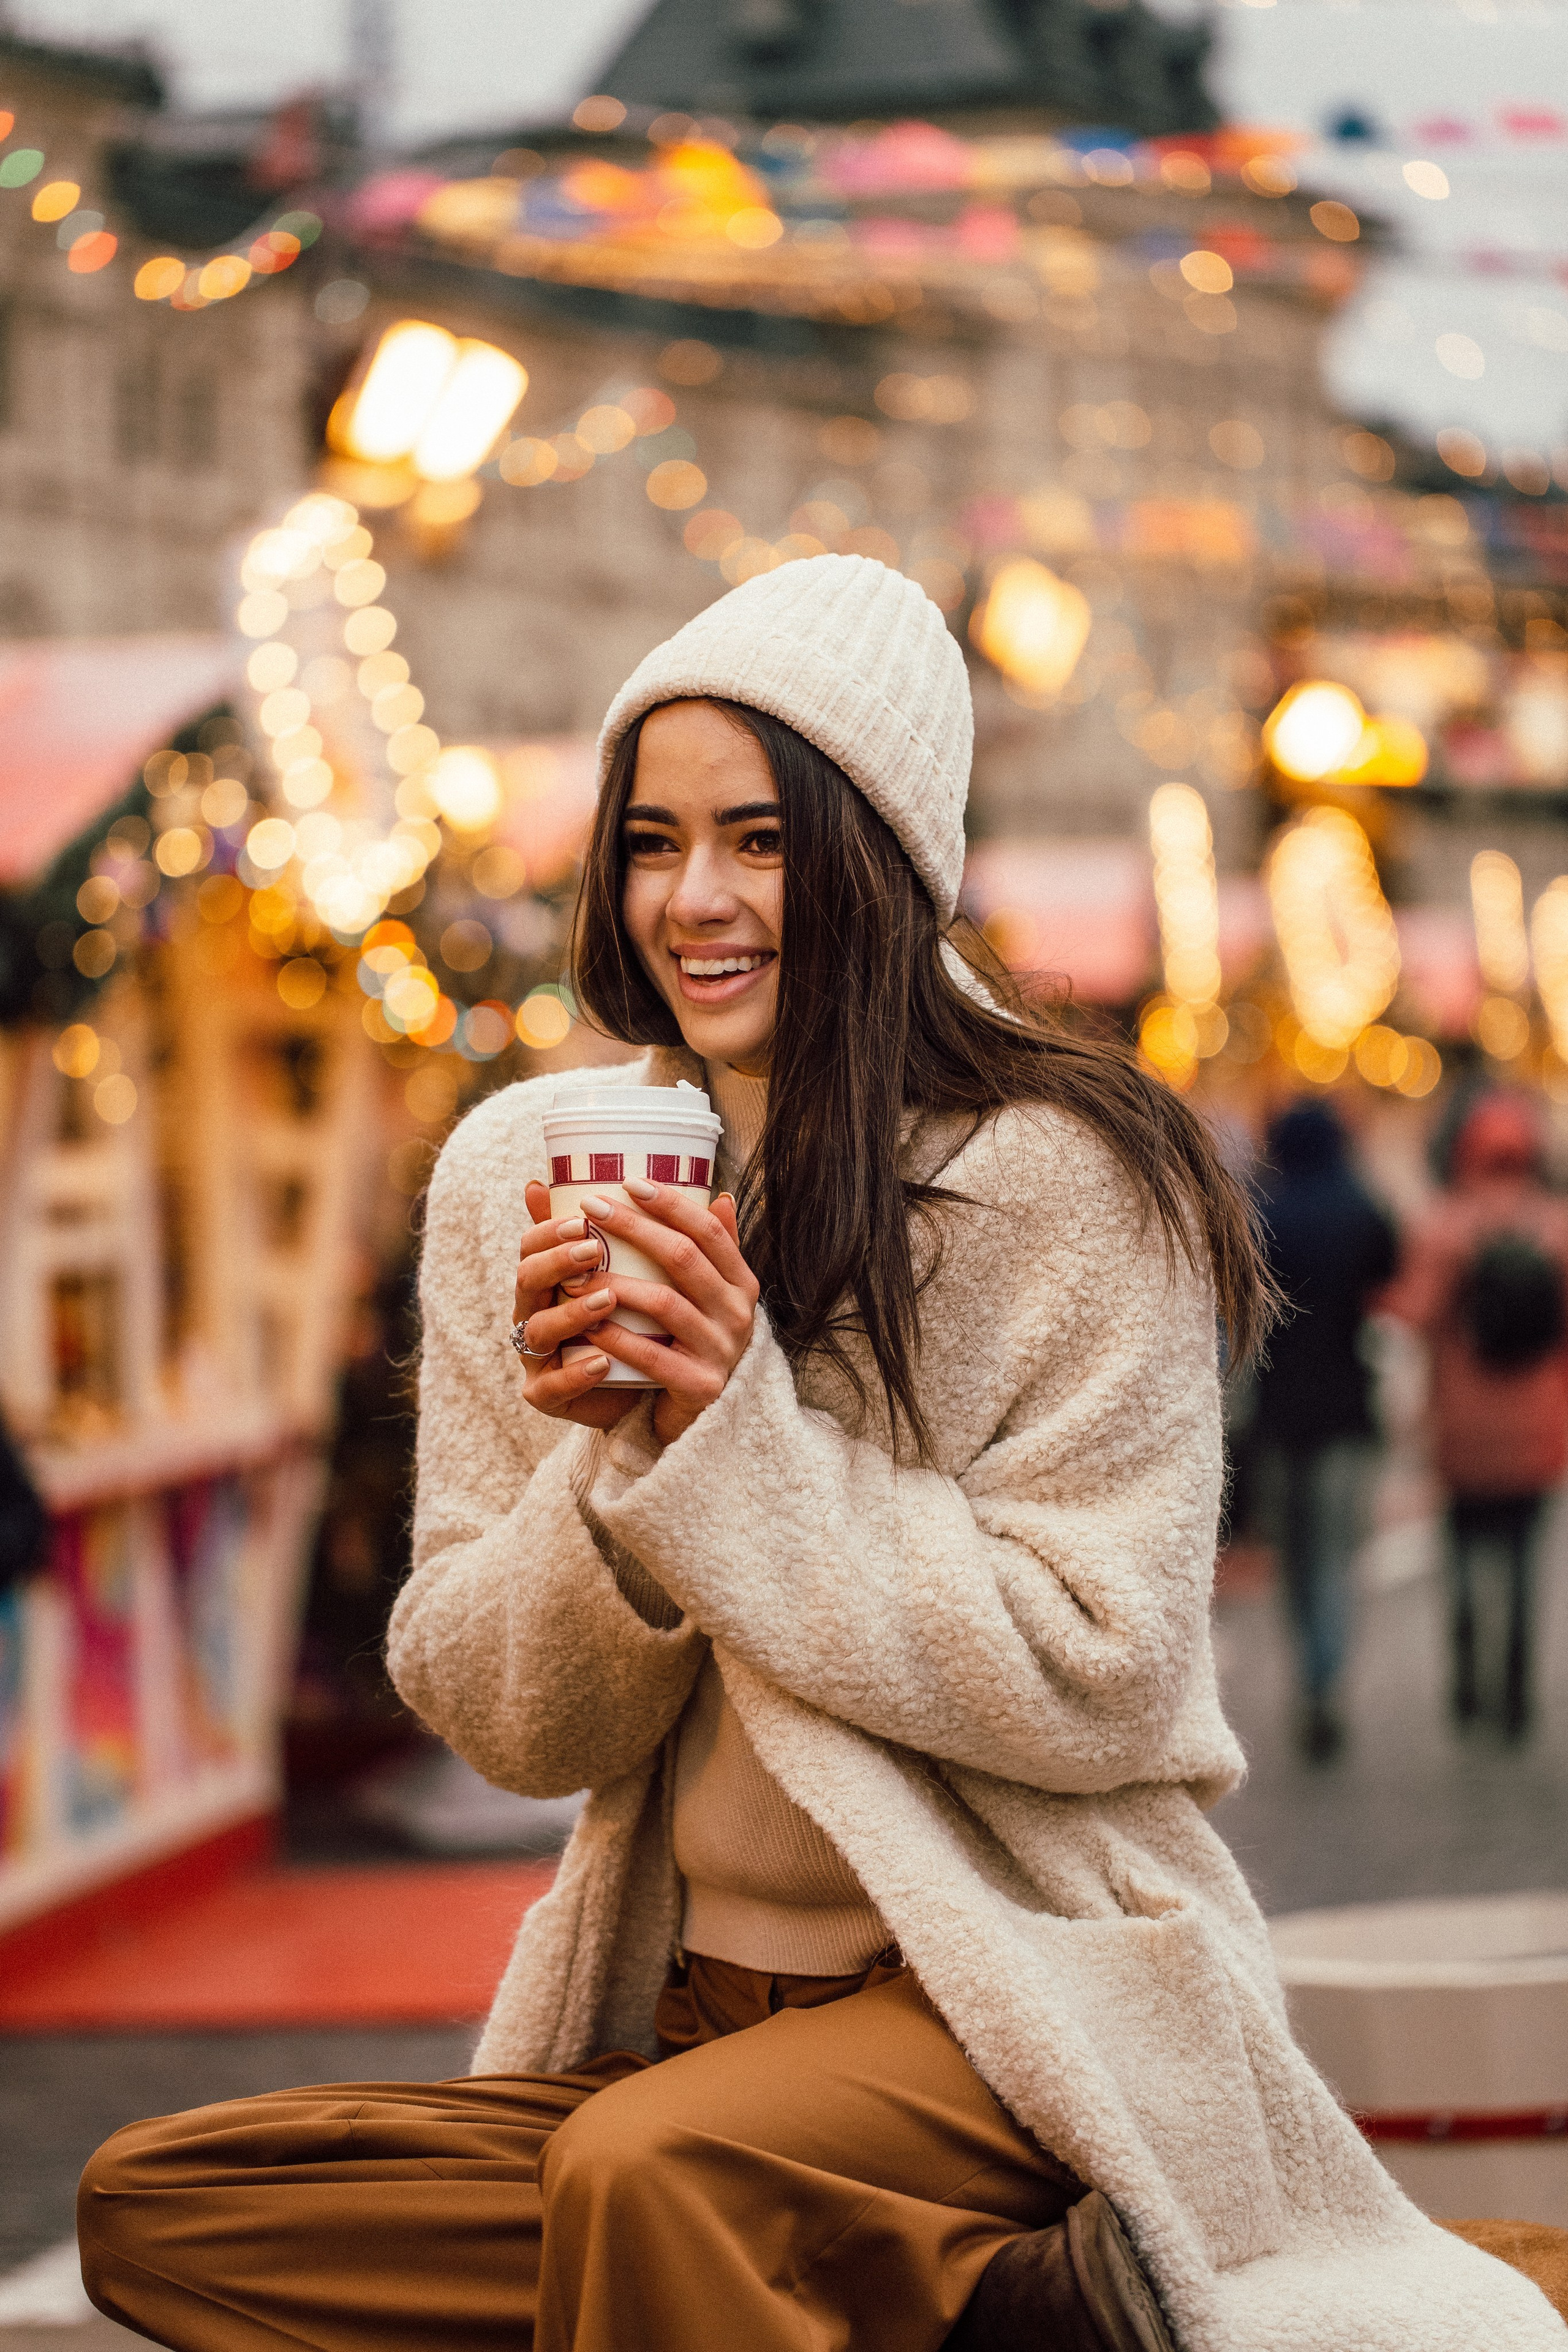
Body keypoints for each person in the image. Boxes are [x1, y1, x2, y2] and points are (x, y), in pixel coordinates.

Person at [77, 559, 1567, 2352]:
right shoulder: (519, 1175)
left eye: (759, 840)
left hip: (1006, 1993)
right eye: (650, 839)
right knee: (168, 2204)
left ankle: (935, 2245)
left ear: (878, 856)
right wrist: (613, 1475)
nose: (691, 896)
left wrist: (732, 1438)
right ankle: (985, 2296)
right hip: (684, 2007)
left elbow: (1102, 1670)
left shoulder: (1065, 1178)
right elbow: (500, 1716)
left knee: (639, 2175)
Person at [1387, 1088, 1568, 1739]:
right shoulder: (1556, 1226)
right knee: (1522, 1561)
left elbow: (1415, 1315)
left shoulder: (1444, 1225)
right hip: (1537, 1424)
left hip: (1462, 1426)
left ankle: (1466, 1684)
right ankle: (1515, 1694)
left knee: (1463, 1552)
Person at [1251, 1099, 1398, 1762]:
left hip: (1279, 1412)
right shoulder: (1360, 1208)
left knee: (1294, 1559)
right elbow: (1389, 1283)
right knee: (1337, 1555)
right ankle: (1326, 1678)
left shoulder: (1264, 1213)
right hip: (1346, 1408)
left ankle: (1305, 1671)